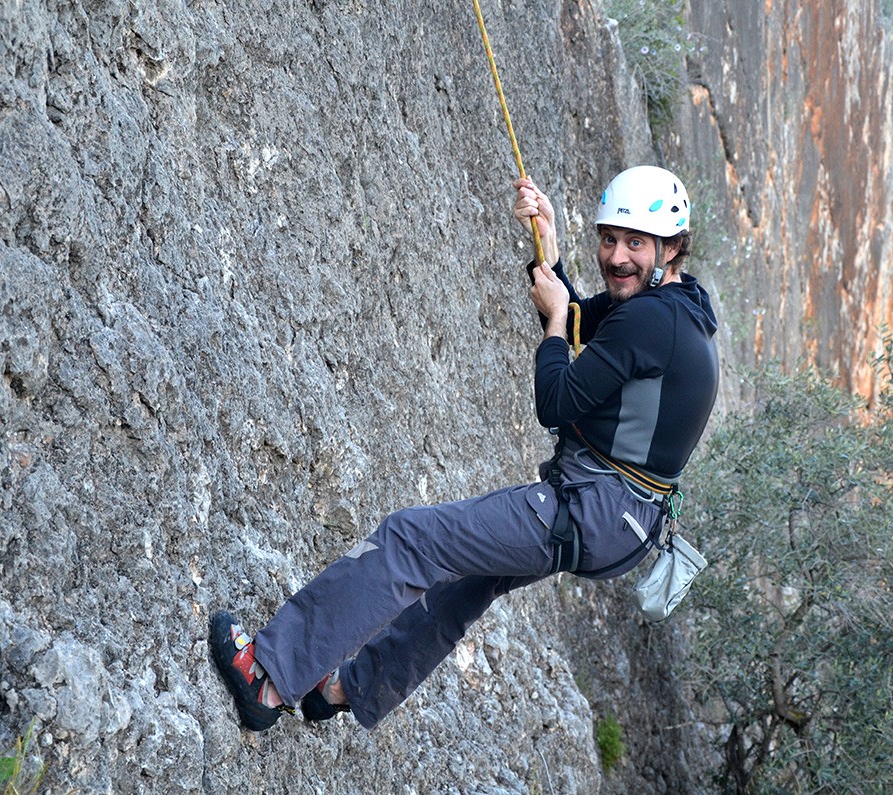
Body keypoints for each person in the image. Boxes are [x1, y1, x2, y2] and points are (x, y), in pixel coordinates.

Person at [209, 165, 720, 732]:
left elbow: (556, 397)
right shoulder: (674, 307)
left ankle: (269, 677)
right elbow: (582, 325)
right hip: (617, 519)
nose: (617, 257)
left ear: (671, 247)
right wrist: (546, 255)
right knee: (465, 580)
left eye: (635, 243)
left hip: (593, 507)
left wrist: (553, 318)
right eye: (608, 238)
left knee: (411, 539)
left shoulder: (653, 321)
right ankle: (346, 687)